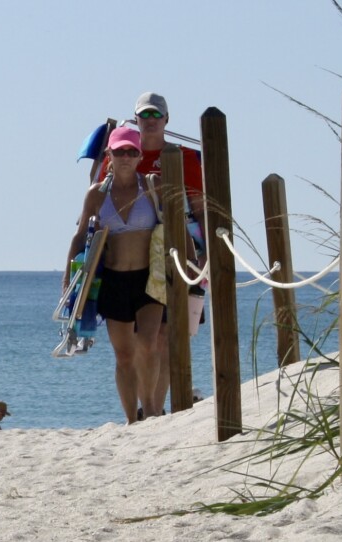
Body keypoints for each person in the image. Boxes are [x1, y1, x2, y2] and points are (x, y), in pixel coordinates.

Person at [62, 126, 164, 423]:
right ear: (109, 154)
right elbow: (80, 236)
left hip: (149, 279)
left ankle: (152, 410)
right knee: (124, 356)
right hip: (114, 281)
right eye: (119, 151)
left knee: (148, 342)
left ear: (140, 155)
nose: (125, 157)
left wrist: (191, 265)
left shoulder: (152, 186)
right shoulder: (97, 194)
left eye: (132, 152)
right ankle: (132, 420)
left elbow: (172, 227)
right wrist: (68, 279)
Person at [133, 92, 207, 413]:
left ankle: (154, 410)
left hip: (178, 249)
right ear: (136, 119)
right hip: (134, 254)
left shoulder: (184, 157)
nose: (150, 122)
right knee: (141, 340)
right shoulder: (123, 151)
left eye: (156, 116)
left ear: (166, 119)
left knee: (168, 334)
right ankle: (146, 404)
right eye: (144, 116)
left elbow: (200, 208)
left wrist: (206, 252)